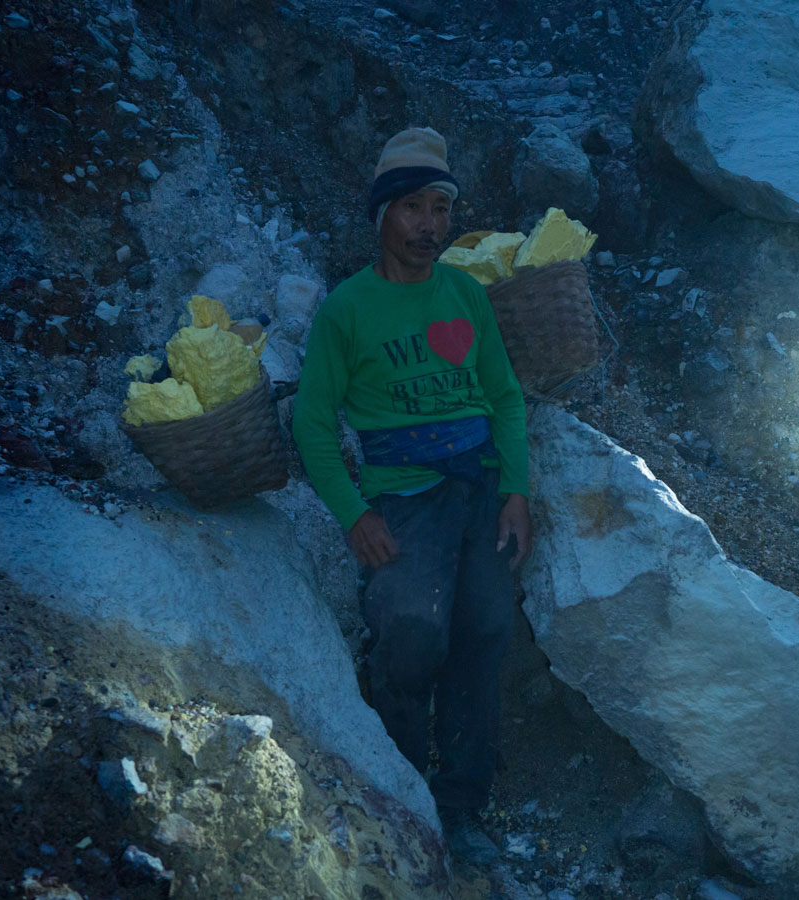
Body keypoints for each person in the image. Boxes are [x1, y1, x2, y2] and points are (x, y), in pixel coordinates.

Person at [292, 126, 532, 865]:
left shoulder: (463, 292)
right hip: (402, 499)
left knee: (486, 629)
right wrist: (354, 511)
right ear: (383, 215)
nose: (430, 224)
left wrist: (515, 491)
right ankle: (401, 787)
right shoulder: (348, 309)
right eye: (414, 208)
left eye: (441, 208)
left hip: (478, 488)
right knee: (412, 632)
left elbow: (505, 397)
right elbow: (311, 418)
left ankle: (461, 808)